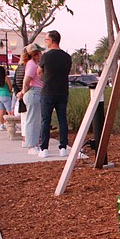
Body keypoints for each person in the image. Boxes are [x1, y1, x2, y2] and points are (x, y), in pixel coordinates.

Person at [37, 30, 72, 158]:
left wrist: (45, 78)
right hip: (62, 91)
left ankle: (44, 148)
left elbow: (39, 72)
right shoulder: (67, 57)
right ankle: (63, 147)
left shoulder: (46, 56)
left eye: (46, 40)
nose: (46, 42)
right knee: (62, 119)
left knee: (45, 120)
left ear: (51, 41)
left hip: (48, 92)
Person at [18, 44, 44, 153]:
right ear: (36, 54)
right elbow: (26, 81)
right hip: (34, 92)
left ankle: (32, 143)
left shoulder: (34, 64)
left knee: (34, 120)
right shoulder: (32, 65)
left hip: (35, 92)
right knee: (32, 120)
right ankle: (31, 146)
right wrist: (23, 92)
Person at [0, 65, 13, 131]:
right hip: (5, 95)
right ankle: (11, 124)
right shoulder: (6, 78)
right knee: (9, 110)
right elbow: (10, 87)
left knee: (1, 111)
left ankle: (2, 125)